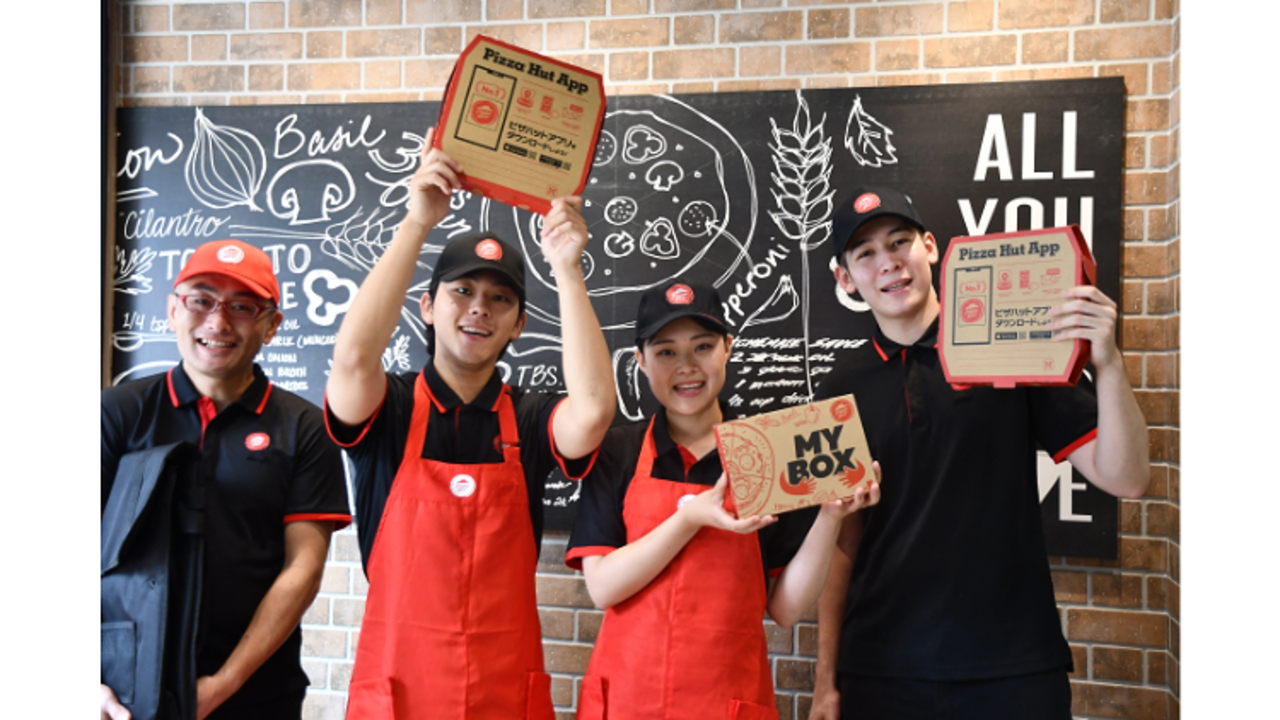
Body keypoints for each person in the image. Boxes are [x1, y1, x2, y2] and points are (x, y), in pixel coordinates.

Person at [807, 187, 1150, 720]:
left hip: (1012, 668)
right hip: (880, 671)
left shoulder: (1008, 347)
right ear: (846, 279)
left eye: (899, 242)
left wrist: (1108, 363)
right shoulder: (839, 388)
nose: (888, 262)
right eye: (865, 253)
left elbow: (1126, 478)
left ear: (930, 247)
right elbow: (843, 544)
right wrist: (825, 680)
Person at [325, 129, 616, 720]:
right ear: (428, 307)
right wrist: (417, 223)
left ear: (518, 325)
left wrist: (567, 269)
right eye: (462, 291)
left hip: (501, 692)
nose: (480, 307)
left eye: (500, 299)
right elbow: (352, 360)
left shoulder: (529, 417)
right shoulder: (389, 407)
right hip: (399, 693)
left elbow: (592, 412)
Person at [565, 280, 881, 720]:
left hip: (726, 702)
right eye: (666, 352)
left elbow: (785, 609)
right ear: (640, 360)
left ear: (728, 347)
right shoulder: (618, 450)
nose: (686, 367)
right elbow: (602, 588)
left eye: (703, 347)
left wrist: (829, 517)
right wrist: (689, 519)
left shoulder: (766, 452)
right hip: (627, 700)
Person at [100, 239, 352, 720]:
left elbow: (303, 569)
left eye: (242, 307)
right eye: (201, 300)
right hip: (120, 694)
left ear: (271, 326)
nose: (217, 323)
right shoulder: (115, 414)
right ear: (173, 311)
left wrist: (224, 684)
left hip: (259, 694)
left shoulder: (304, 428)